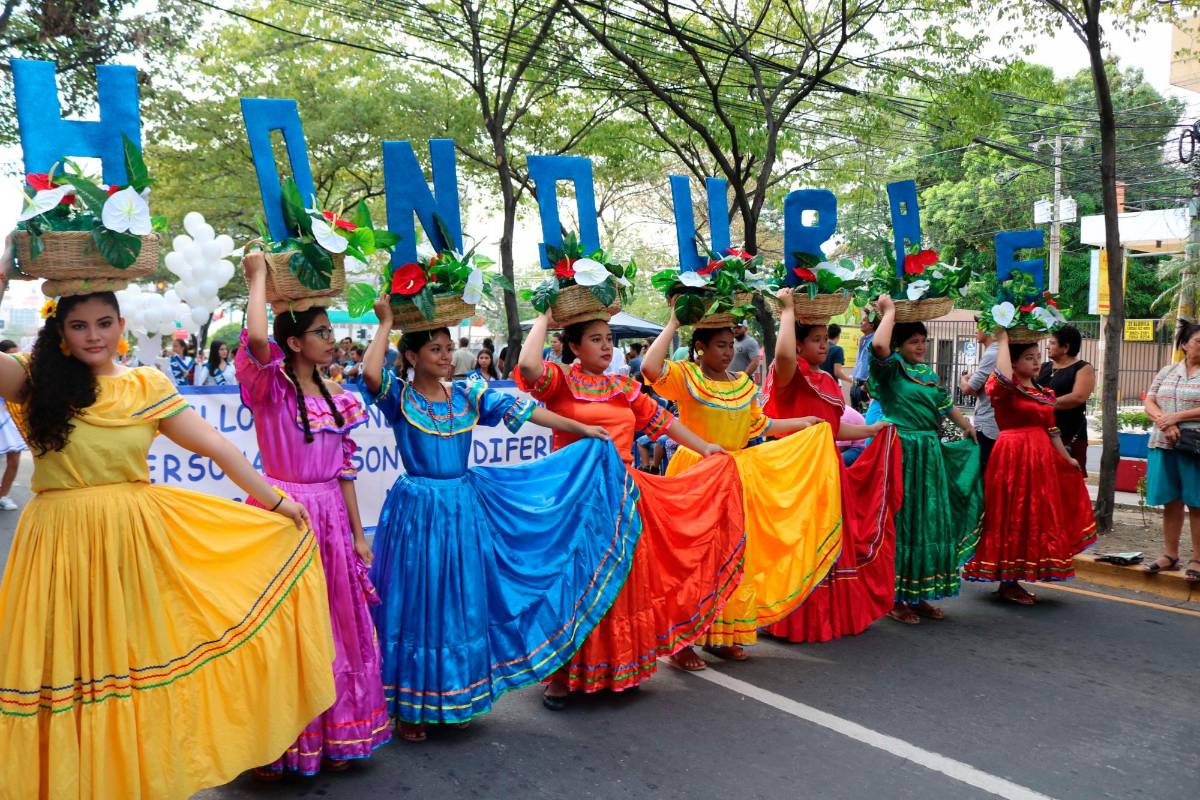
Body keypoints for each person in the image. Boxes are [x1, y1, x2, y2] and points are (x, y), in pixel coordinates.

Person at [0, 288, 334, 798]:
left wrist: (273, 501)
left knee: (126, 666)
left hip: (131, 545)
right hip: (57, 546)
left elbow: (217, 445)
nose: (94, 335)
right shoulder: (35, 380)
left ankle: (129, 781)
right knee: (63, 666)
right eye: (79, 325)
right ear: (60, 333)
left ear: (122, 325)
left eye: (104, 322)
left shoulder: (145, 385)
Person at [361, 299, 636, 741]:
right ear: (412, 357)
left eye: (448, 348)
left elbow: (526, 412)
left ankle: (452, 697)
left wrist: (583, 430)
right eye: (435, 349)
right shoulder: (401, 397)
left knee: (460, 603)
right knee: (418, 603)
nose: (447, 356)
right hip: (418, 512)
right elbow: (371, 376)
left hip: (462, 510)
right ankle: (411, 708)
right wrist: (386, 323)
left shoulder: (469, 393)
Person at [517, 312, 745, 707]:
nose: (607, 346)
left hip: (623, 494)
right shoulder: (561, 381)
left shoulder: (623, 385)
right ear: (573, 346)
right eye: (595, 339)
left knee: (622, 582)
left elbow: (662, 422)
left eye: (608, 338)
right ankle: (561, 676)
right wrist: (543, 318)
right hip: (576, 497)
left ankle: (619, 665)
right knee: (576, 583)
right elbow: (527, 367)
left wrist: (705, 447)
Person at [237, 253, 389, 776]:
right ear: (296, 343)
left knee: (337, 628)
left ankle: (337, 735)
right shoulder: (271, 388)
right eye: (321, 332)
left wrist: (357, 534)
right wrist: (258, 278)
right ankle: (282, 741)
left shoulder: (341, 397)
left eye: (332, 330)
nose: (332, 338)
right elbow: (259, 342)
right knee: (286, 631)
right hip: (283, 517)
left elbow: (345, 473)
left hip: (330, 521)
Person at [641, 314, 842, 666]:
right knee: (693, 559)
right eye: (720, 345)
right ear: (699, 348)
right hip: (696, 474)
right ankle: (681, 642)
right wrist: (675, 322)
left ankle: (720, 635)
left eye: (730, 344)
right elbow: (650, 368)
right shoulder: (687, 378)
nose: (728, 351)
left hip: (733, 474)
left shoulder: (742, 385)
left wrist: (803, 424)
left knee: (732, 556)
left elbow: (761, 426)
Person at [760, 288, 901, 644]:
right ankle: (791, 615)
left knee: (831, 537)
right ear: (800, 344)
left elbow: (832, 426)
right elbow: (782, 353)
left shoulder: (825, 380)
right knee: (800, 539)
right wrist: (788, 310)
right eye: (816, 340)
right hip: (796, 470)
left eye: (826, 339)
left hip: (828, 467)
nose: (824, 346)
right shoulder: (789, 375)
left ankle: (830, 613)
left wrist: (870, 429)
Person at [870, 294, 983, 624]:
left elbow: (947, 407)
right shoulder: (891, 370)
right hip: (900, 450)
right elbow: (878, 347)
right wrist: (889, 312)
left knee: (927, 521)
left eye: (923, 340)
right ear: (899, 343)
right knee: (903, 521)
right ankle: (895, 598)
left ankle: (918, 595)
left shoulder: (929, 375)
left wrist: (968, 428)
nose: (920, 346)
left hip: (929, 452)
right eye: (914, 341)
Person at [962, 329, 1097, 603]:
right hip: (1012, 455)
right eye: (1028, 358)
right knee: (1012, 515)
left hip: (1041, 459)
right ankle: (1008, 581)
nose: (1036, 363)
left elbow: (1052, 429)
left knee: (1034, 516)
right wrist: (1002, 340)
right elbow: (1000, 376)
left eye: (1037, 357)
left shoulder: (1043, 391)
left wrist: (1066, 458)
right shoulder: (1004, 389)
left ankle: (1017, 576)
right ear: (1013, 363)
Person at [1144, 320, 1200, 582]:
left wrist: (1175, 416)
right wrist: (1163, 421)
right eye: (1198, 341)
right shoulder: (1168, 370)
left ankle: (1197, 559)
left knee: (1196, 503)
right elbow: (1150, 399)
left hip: (1194, 445)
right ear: (1185, 344)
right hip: (1164, 441)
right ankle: (1170, 555)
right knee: (1171, 501)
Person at [1037, 325, 1094, 475]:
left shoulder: (1083, 368)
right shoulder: (1044, 367)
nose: (1047, 347)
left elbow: (1078, 397)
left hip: (1070, 434)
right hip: (1042, 433)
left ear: (1066, 347)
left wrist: (1044, 403)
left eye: (1053, 343)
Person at [958, 327, 1000, 472]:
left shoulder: (992, 353)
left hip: (988, 424)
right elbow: (983, 391)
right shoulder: (998, 351)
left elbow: (969, 389)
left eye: (981, 325)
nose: (977, 330)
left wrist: (963, 380)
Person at [0, 340, 26, 510]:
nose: (16, 360)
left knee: (14, 458)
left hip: (10, 418)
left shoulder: (20, 376)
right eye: (11, 355)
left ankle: (3, 495)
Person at [850, 312, 876, 411]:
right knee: (855, 415)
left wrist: (866, 385)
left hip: (864, 385)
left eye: (864, 320)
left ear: (871, 325)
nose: (861, 322)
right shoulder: (862, 339)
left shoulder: (875, 340)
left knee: (863, 417)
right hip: (855, 384)